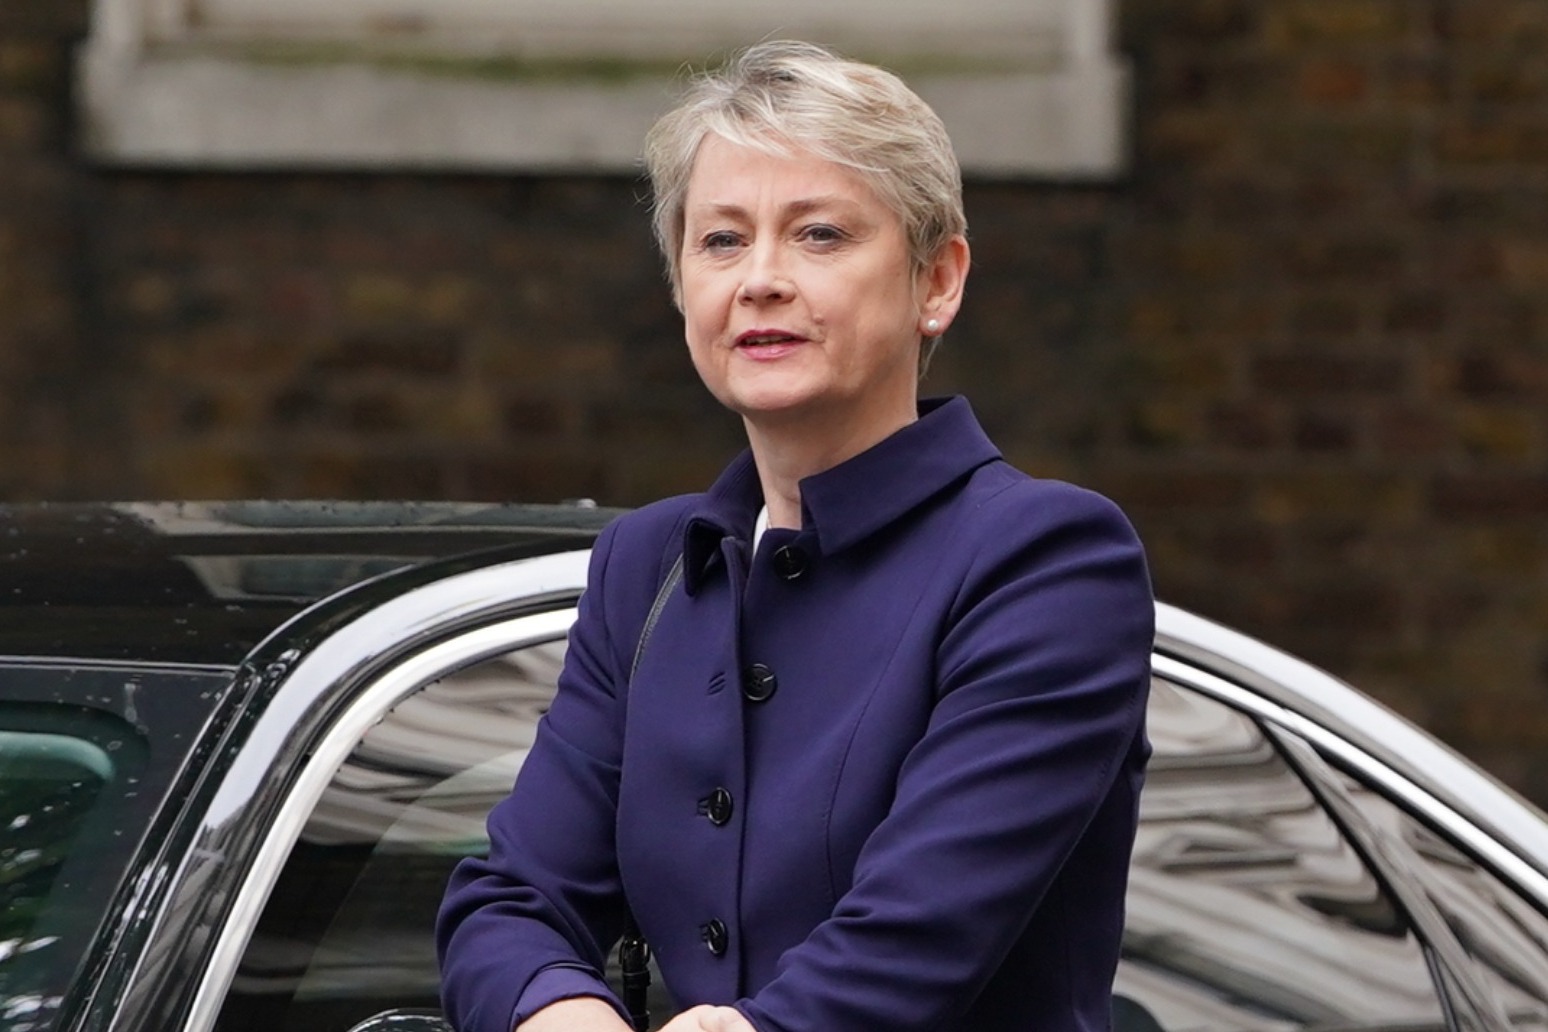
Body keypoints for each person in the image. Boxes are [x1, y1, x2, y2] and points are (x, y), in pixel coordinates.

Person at [437, 40, 1153, 1032]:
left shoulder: (1045, 562)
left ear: (937, 281)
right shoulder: (647, 567)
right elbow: (509, 901)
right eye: (721, 240)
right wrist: (560, 1012)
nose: (761, 279)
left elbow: (915, 939)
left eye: (819, 234)